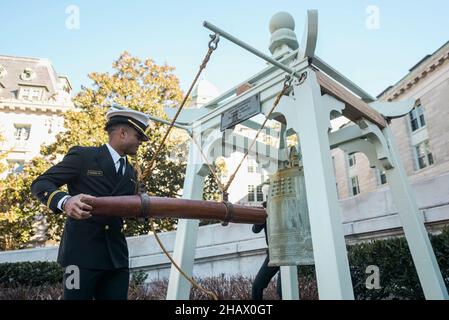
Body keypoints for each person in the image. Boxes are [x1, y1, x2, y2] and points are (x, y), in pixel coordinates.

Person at [31, 107, 150, 300]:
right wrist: (66, 201)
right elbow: (41, 183)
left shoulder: (131, 172)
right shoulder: (83, 157)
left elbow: (128, 211)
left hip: (116, 259)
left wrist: (142, 208)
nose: (140, 142)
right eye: (138, 137)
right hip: (78, 258)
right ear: (122, 133)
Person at [252, 201, 282, 300]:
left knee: (282, 290)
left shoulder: (284, 209)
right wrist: (261, 213)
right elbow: (255, 230)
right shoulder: (266, 213)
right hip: (273, 254)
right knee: (257, 286)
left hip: (288, 251)